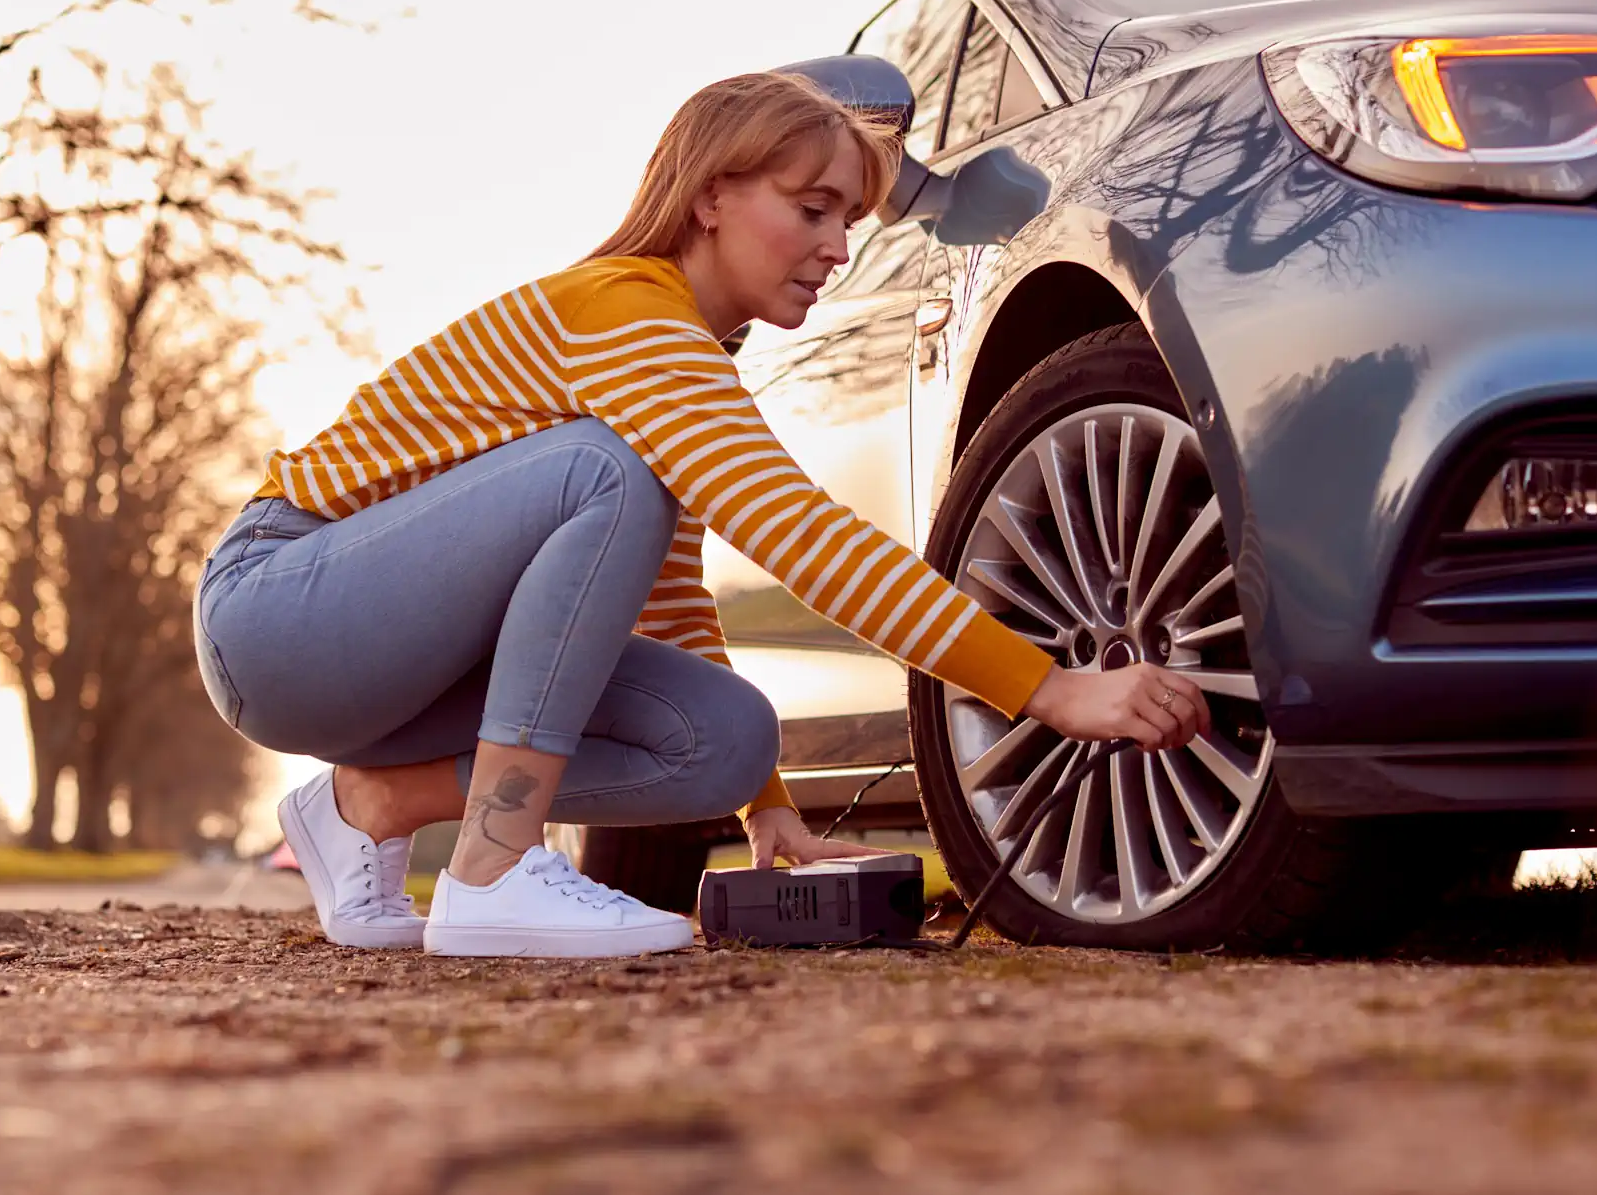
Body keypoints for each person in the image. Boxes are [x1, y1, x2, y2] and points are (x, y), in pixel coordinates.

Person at [193, 71, 1210, 959]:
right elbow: (802, 534)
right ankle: (492, 873)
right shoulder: (626, 313)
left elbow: (670, 596)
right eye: (812, 208)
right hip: (276, 610)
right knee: (605, 468)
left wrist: (768, 810)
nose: (836, 247)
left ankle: (363, 807)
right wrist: (1051, 690)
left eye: (848, 221)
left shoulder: (685, 363)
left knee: (721, 735)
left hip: (404, 662)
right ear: (713, 194)